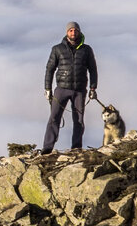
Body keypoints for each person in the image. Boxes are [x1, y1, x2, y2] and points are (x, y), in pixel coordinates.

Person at [41, 21, 98, 153]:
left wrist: (93, 88)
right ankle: (47, 148)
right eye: (70, 30)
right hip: (61, 89)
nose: (73, 33)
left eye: (75, 30)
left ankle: (76, 148)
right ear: (67, 32)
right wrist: (47, 89)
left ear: (79, 32)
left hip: (79, 90)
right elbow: (50, 69)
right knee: (54, 118)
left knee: (78, 120)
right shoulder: (57, 49)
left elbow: (93, 70)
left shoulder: (86, 49)